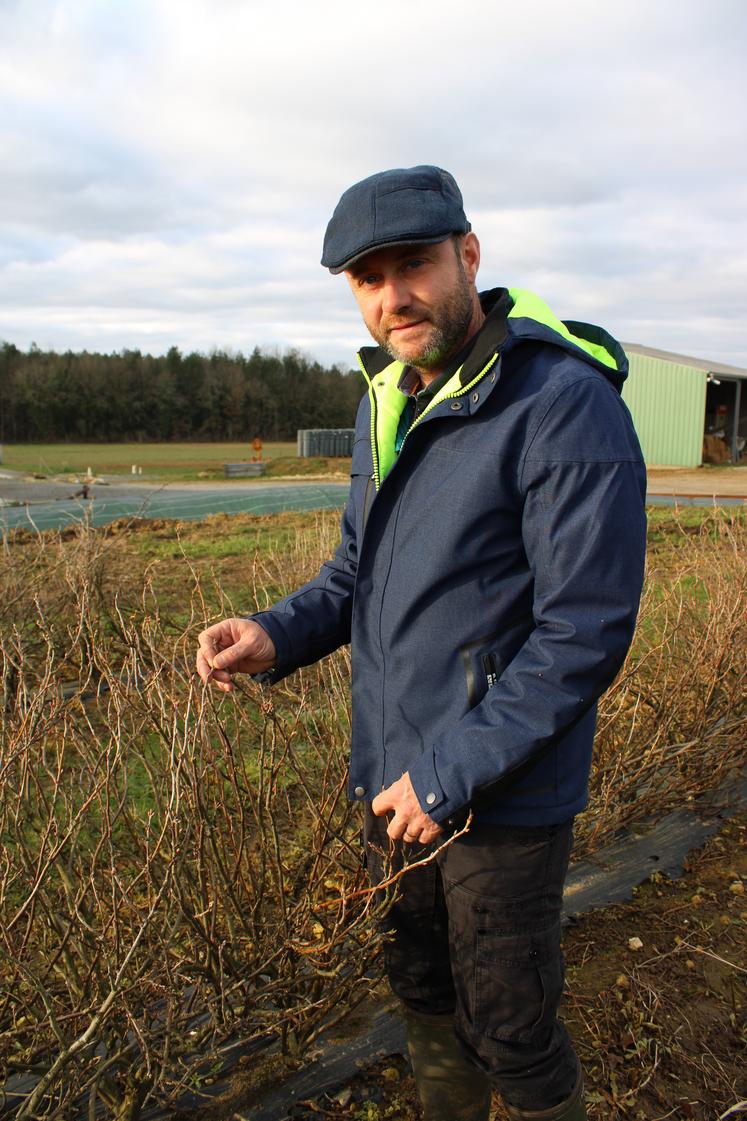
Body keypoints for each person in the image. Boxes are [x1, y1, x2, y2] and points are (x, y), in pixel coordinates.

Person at [196, 166, 647, 1120]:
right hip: (393, 778)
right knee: (422, 990)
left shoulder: (560, 402)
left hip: (499, 790)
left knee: (510, 1024)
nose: (392, 296)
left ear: (468, 257)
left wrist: (450, 772)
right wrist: (272, 634)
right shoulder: (387, 397)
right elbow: (355, 574)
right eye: (367, 278)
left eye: (413, 265)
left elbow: (583, 629)